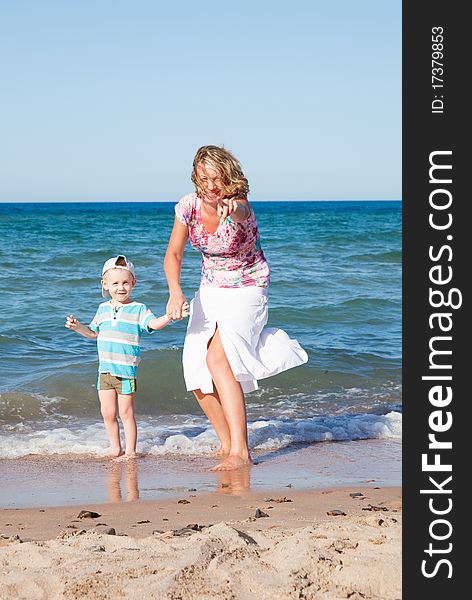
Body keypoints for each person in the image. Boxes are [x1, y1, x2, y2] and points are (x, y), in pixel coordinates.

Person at [164, 145, 308, 471]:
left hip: (247, 288)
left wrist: (233, 208)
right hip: (211, 288)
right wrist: (175, 292)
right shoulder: (188, 207)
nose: (210, 184)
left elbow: (242, 211)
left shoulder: (239, 203)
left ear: (227, 175)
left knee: (218, 358)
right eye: (203, 178)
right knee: (195, 368)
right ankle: (227, 442)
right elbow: (173, 254)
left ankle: (241, 452)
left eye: (216, 177)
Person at [65, 255, 188, 459]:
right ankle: (115, 448)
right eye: (115, 283)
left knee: (126, 413)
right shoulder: (102, 309)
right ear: (105, 284)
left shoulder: (138, 308)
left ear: (133, 283)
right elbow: (93, 333)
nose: (120, 287)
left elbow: (152, 325)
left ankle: (130, 451)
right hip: (104, 370)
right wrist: (78, 327)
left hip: (125, 372)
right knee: (107, 413)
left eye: (125, 283)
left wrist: (170, 316)